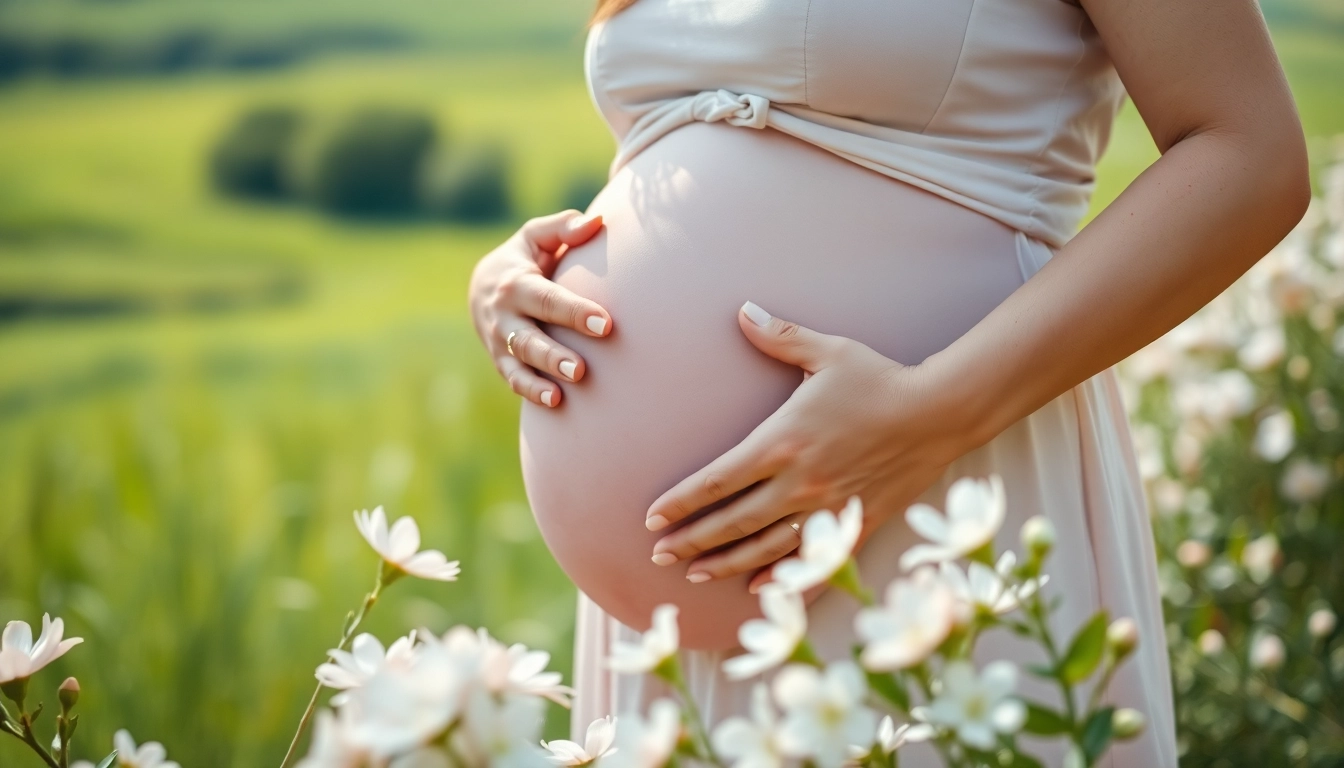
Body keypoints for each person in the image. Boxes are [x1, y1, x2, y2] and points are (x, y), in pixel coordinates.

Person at [468, 0, 1308, 763]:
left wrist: (931, 415)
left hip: (940, 493)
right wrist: (520, 276)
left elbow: (1251, 152)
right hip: (666, 636)